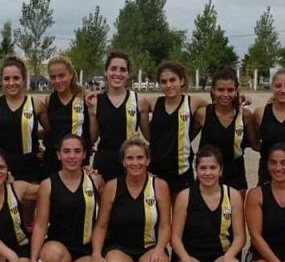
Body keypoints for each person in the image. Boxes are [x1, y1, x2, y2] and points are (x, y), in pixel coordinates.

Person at [89, 138, 171, 262]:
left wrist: (159, 250)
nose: (136, 163)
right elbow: (101, 225)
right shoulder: (112, 186)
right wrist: (96, 254)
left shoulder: (159, 186)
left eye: (140, 158)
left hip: (150, 246)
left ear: (148, 160)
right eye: (130, 158)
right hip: (120, 248)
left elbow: (165, 226)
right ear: (123, 161)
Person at [31, 134, 104, 262]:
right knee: (52, 255)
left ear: (84, 155)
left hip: (84, 249)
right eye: (67, 151)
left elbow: (101, 223)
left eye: (77, 151)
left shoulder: (95, 182)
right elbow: (40, 225)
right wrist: (33, 258)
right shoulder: (48, 184)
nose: (72, 156)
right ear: (58, 155)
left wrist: (97, 253)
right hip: (58, 246)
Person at [171, 145, 245, 262]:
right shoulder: (185, 196)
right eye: (203, 168)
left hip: (220, 255)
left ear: (221, 170)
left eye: (213, 167)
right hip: (193, 256)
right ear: (196, 170)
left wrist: (229, 257)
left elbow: (240, 237)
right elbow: (175, 236)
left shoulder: (232, 195)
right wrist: (185, 260)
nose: (208, 173)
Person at [87, 51, 151, 181]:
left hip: (131, 163)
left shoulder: (139, 101)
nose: (118, 73)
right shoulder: (95, 101)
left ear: (128, 74)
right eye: (113, 69)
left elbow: (150, 137)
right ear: (106, 71)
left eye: (123, 70)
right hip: (105, 162)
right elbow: (91, 139)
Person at [0, 56, 46, 184]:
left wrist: (32, 137)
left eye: (16, 78)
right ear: (1, 81)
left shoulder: (36, 104)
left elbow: (50, 131)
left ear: (24, 80)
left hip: (30, 166)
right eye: (7, 79)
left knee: (29, 203)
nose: (11, 83)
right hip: (2, 166)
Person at [148, 61, 207, 195]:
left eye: (173, 80)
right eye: (163, 81)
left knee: (182, 212)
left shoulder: (193, 102)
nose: (168, 85)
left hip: (182, 172)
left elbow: (218, 107)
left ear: (182, 81)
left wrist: (242, 98)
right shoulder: (153, 103)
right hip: (156, 171)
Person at [195, 68, 255, 195]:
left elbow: (255, 144)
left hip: (236, 172)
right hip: (208, 171)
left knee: (236, 212)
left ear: (237, 90)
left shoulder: (245, 115)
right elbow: (185, 139)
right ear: (213, 90)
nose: (225, 94)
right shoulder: (203, 114)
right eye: (221, 90)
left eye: (230, 90)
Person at [40, 56, 93, 175]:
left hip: (77, 160)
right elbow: (49, 130)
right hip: (53, 161)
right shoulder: (49, 101)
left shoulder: (85, 98)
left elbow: (92, 132)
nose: (58, 81)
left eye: (61, 75)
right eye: (53, 77)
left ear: (71, 74)